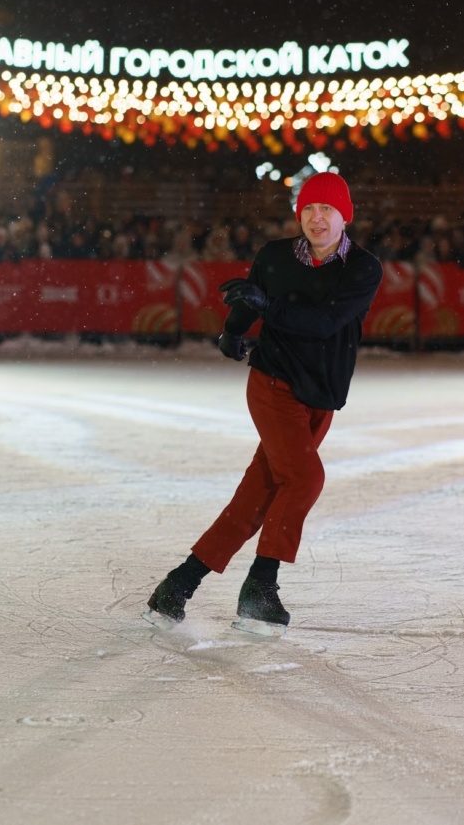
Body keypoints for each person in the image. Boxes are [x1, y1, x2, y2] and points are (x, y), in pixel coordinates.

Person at [145, 172, 383, 636]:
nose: (317, 218)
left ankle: (178, 585)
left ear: (345, 217)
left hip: (320, 397)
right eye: (309, 208)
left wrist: (266, 305)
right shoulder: (274, 256)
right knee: (306, 478)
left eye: (327, 209)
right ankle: (260, 588)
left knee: (259, 495)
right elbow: (249, 300)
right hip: (273, 384)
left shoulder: (362, 268)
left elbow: (325, 322)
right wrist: (233, 331)